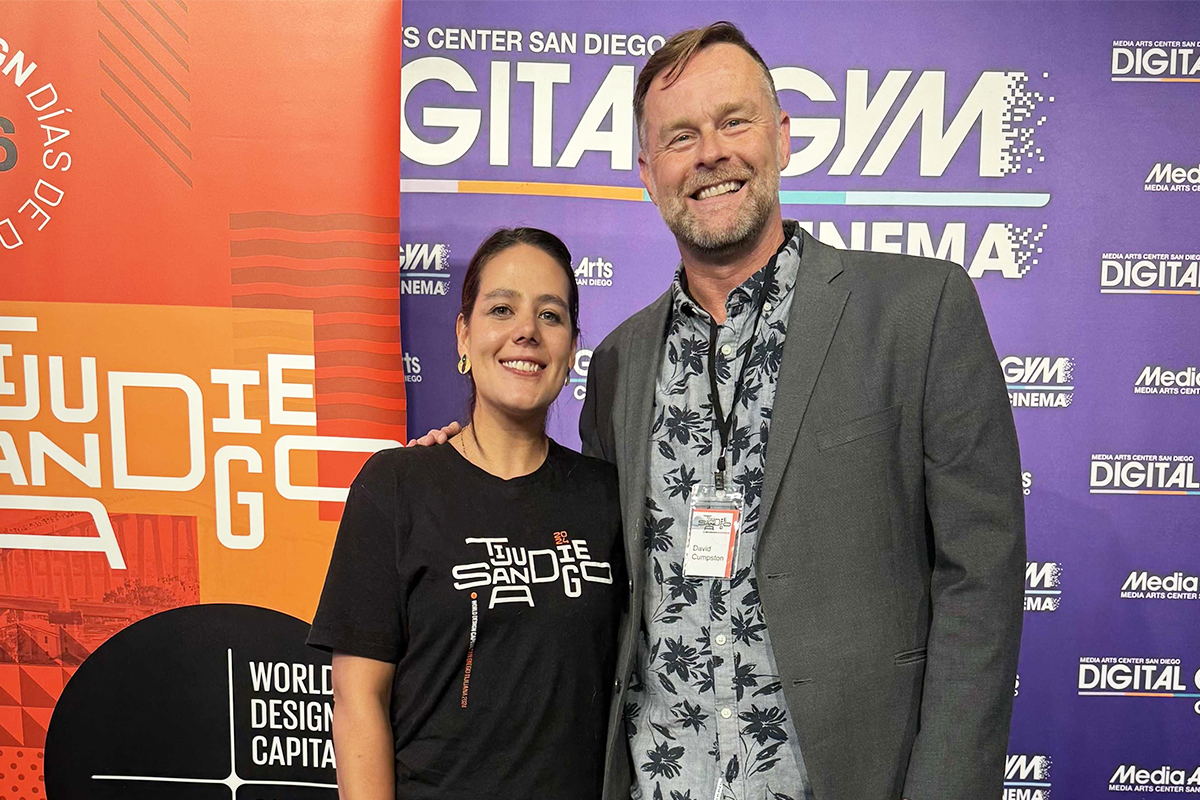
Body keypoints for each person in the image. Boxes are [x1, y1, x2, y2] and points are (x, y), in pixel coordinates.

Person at [414, 21, 1026, 800]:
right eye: (680, 136)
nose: (710, 153)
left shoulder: (917, 310)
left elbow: (981, 576)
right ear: (648, 172)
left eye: (734, 121)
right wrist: (459, 471)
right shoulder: (620, 364)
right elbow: (578, 553)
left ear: (783, 137)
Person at [308, 227, 624, 800]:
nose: (526, 331)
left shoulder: (609, 498)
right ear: (463, 334)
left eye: (550, 315)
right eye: (501, 309)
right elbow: (358, 701)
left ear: (572, 346)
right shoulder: (395, 487)